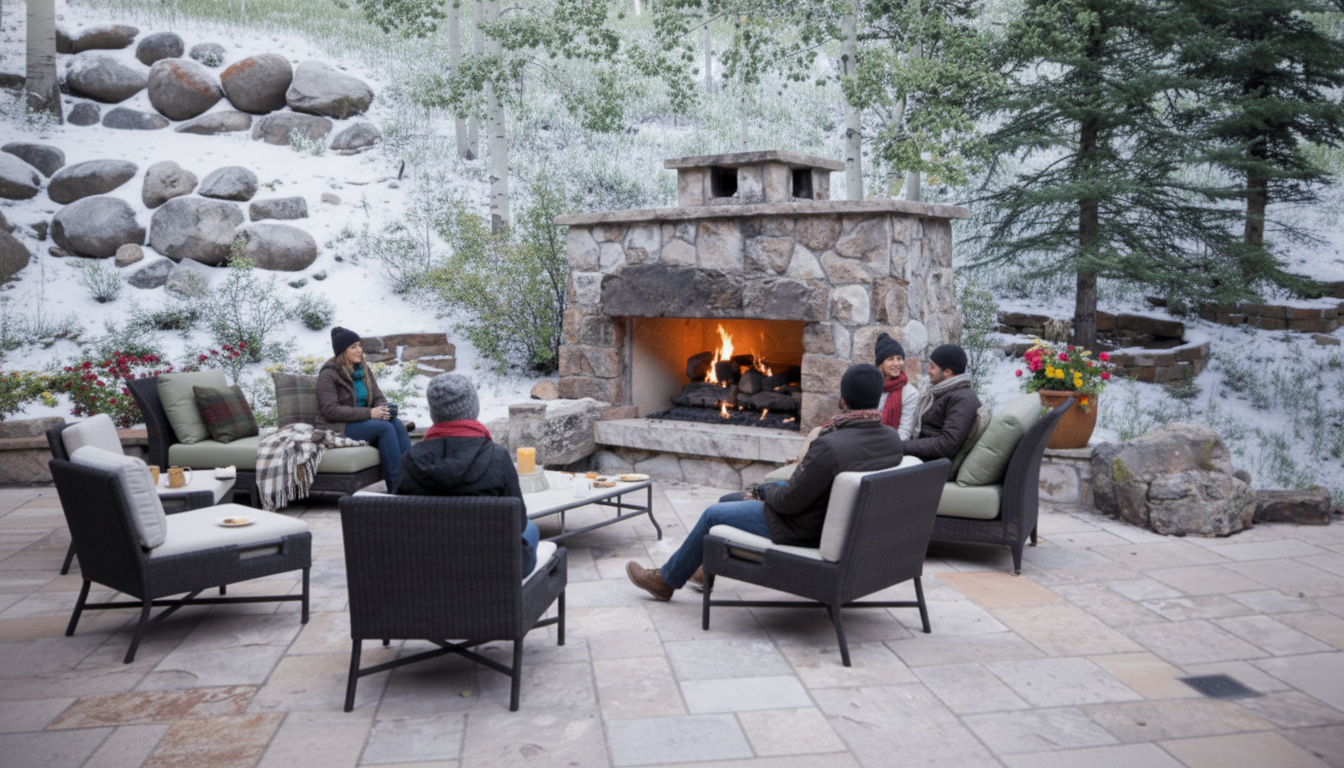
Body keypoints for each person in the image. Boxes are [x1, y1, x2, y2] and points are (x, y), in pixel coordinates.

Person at [626, 363, 904, 601]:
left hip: (803, 526)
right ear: (877, 397)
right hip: (837, 520)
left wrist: (763, 491)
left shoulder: (830, 446)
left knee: (713, 515)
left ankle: (666, 581)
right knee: (727, 501)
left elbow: (788, 501)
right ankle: (700, 568)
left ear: (843, 399)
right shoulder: (891, 440)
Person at [395, 373, 540, 577]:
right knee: (532, 528)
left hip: (429, 569)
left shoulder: (409, 460)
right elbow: (519, 523)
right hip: (491, 570)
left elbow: (400, 524)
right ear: (473, 408)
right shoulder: (496, 457)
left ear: (433, 413)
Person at [315, 327, 413, 486]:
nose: (359, 350)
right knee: (384, 428)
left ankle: (412, 481)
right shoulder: (328, 375)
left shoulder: (363, 369)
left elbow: (378, 396)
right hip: (337, 426)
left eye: (360, 345)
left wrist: (384, 409)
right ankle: (396, 489)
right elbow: (330, 411)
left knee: (396, 424)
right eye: (353, 347)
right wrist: (370, 413)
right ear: (342, 351)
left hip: (362, 422)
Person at [902, 343, 980, 462]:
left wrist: (902, 447)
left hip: (933, 467)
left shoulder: (963, 398)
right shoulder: (943, 391)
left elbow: (948, 444)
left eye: (932, 367)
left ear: (947, 372)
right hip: (920, 458)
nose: (928, 371)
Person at [875, 331, 919, 440]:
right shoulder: (872, 388)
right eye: (890, 359)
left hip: (893, 448)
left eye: (899, 358)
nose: (896, 364)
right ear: (880, 365)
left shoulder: (910, 393)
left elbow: (905, 432)